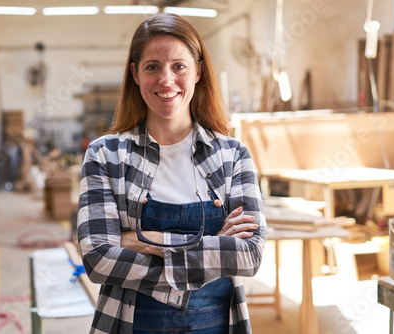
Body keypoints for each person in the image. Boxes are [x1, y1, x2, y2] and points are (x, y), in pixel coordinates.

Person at [78, 13, 266, 334]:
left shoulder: (232, 155)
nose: (166, 79)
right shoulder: (105, 155)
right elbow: (98, 259)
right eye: (153, 66)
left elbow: (250, 256)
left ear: (198, 72)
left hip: (217, 324)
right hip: (131, 323)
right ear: (135, 73)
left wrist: (140, 242)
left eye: (179, 66)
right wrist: (214, 244)